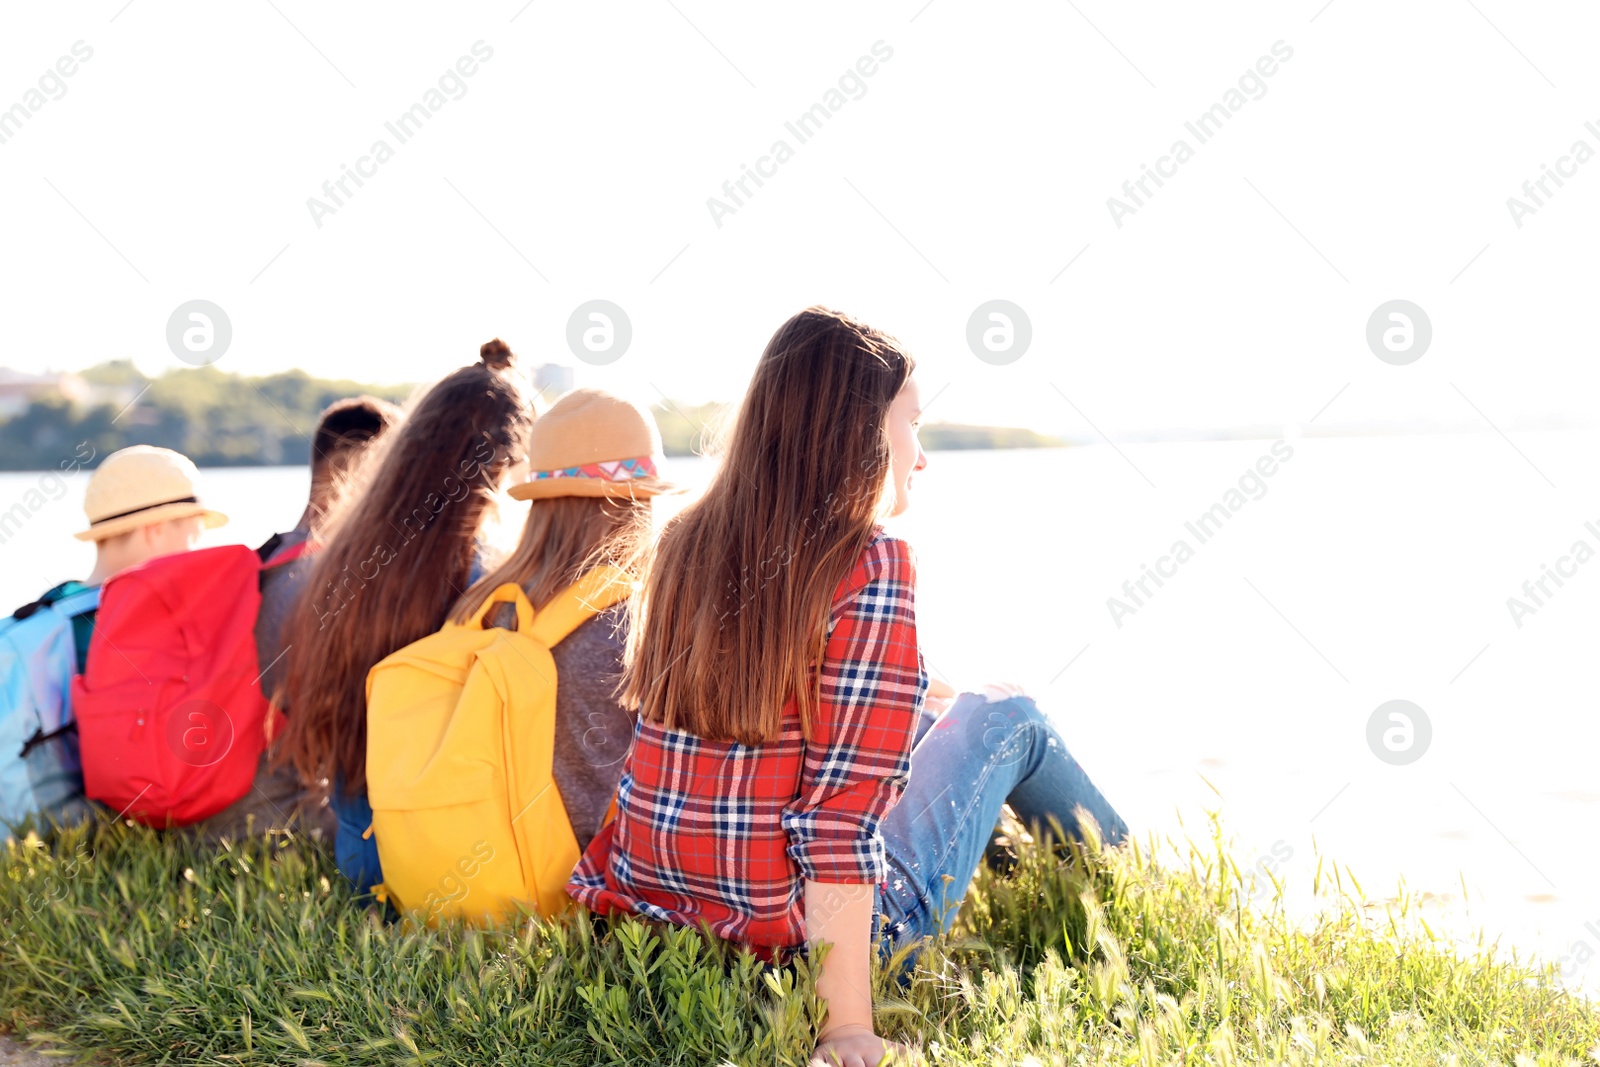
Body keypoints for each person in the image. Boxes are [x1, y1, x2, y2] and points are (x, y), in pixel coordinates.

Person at [567, 307, 1126, 1067]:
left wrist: (923, 700)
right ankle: (1124, 874)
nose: (921, 456)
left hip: (657, 922)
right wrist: (847, 1028)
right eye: (913, 425)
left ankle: (1032, 859)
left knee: (944, 709)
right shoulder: (872, 561)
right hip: (799, 947)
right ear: (858, 430)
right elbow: (836, 826)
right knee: (1011, 714)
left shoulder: (680, 543)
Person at [277, 340, 534, 896]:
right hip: (453, 873)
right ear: (502, 469)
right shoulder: (489, 582)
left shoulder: (340, 560)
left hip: (362, 857)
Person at [445, 388, 666, 853]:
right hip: (592, 881)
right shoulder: (635, 619)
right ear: (640, 503)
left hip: (480, 854)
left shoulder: (483, 603)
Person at [194, 396, 402, 843]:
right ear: (365, 473)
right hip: (288, 830)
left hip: (205, 816)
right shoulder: (343, 586)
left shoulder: (261, 565)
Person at [1, 446, 226, 827]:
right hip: (143, 830)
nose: (195, 551)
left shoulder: (24, 630)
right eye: (193, 535)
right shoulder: (168, 626)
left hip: (40, 838)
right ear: (155, 531)